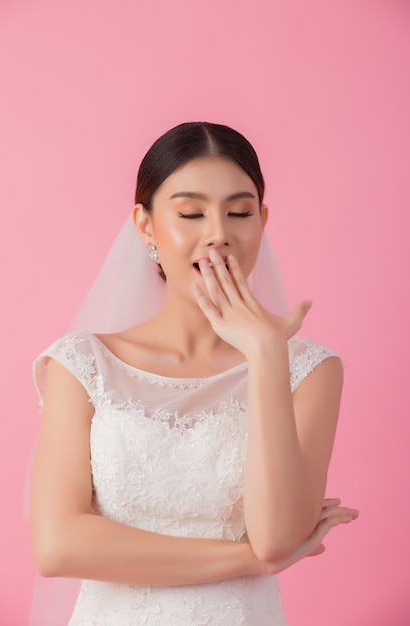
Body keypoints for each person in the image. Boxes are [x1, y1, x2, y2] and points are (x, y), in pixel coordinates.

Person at [29, 121, 358, 625]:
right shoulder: (83, 365)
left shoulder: (309, 370)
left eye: (240, 212)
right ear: (145, 225)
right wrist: (249, 560)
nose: (219, 234)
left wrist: (267, 354)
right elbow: (57, 546)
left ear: (262, 220)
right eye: (190, 212)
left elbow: (276, 536)